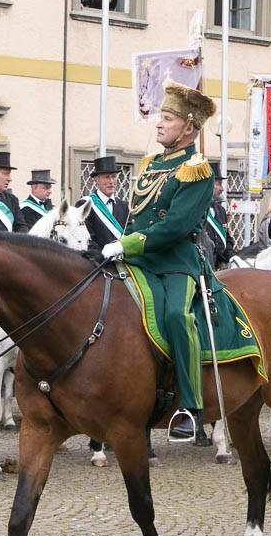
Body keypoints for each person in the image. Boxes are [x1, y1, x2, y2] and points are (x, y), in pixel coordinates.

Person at [100, 82, 216, 441]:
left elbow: (176, 225)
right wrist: (121, 241)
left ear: (189, 128)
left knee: (176, 316)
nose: (159, 124)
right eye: (160, 118)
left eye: (167, 119)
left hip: (175, 260)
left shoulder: (197, 170)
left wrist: (129, 244)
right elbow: (137, 214)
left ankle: (191, 408)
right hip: (138, 256)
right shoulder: (151, 164)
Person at [84, 155, 129, 256]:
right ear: (96, 180)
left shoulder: (124, 206)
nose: (111, 182)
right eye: (106, 177)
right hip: (98, 262)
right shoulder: (86, 204)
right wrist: (102, 256)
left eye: (113, 176)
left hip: (123, 260)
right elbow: (87, 238)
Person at [204, 162, 235, 270]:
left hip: (220, 266)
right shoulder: (196, 209)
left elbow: (226, 238)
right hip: (203, 266)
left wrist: (232, 257)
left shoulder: (220, 210)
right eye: (218, 184)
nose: (221, 188)